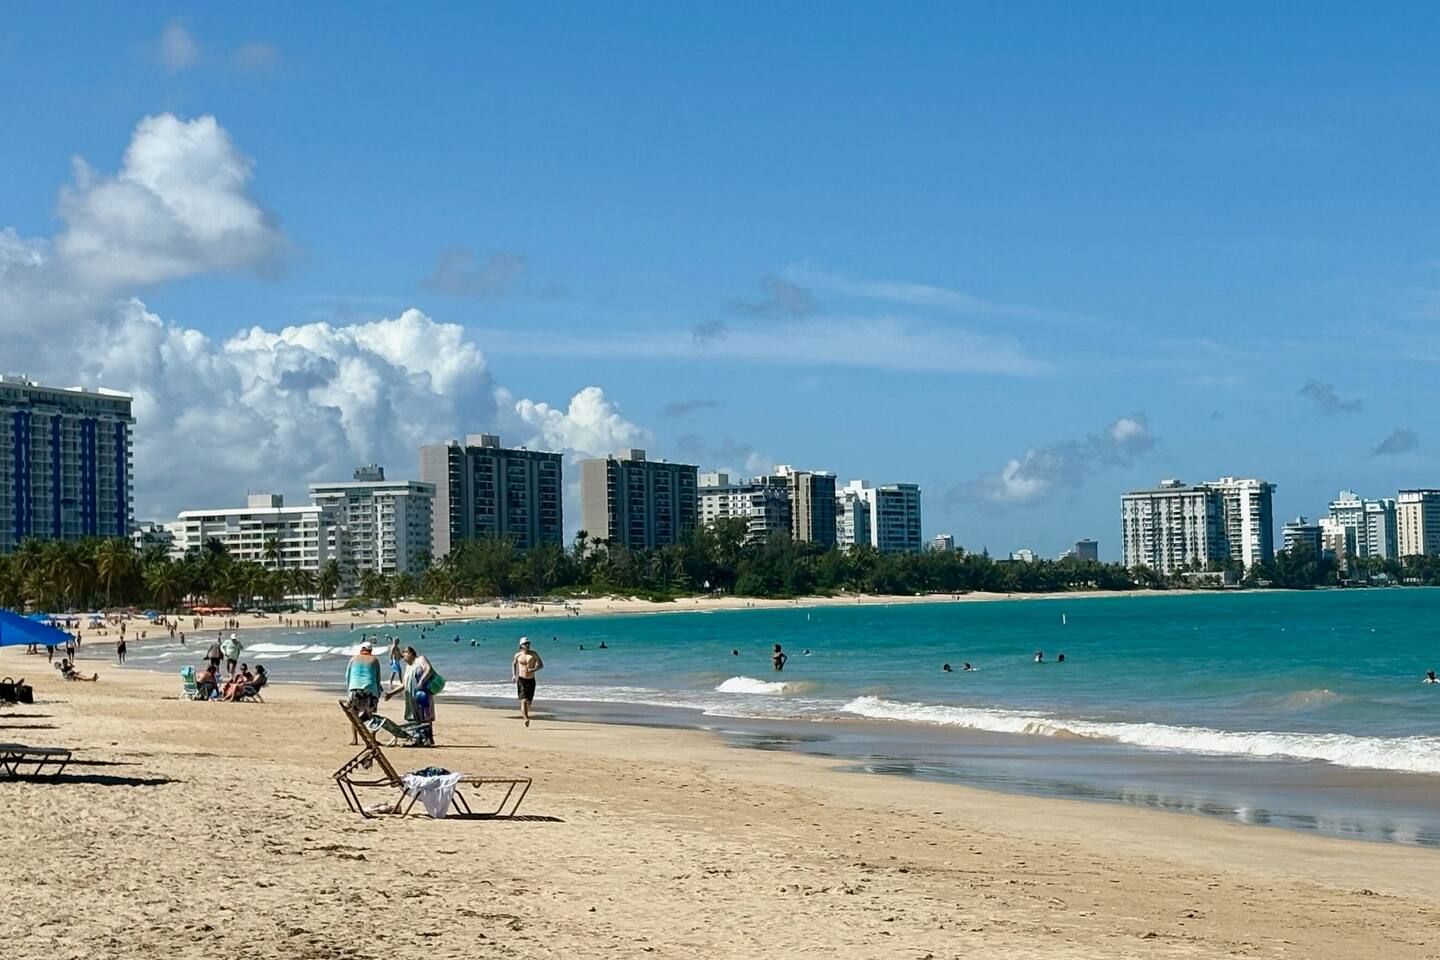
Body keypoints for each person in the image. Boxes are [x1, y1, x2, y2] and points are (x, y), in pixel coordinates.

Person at [385, 646, 435, 746]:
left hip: (422, 693)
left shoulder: (420, 659)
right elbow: (404, 685)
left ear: (410, 653)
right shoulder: (408, 667)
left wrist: (421, 680)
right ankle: (418, 738)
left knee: (425, 715)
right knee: (414, 716)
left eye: (404, 654)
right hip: (411, 697)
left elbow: (428, 668)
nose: (403, 657)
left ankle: (428, 739)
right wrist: (391, 693)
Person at [345, 643, 383, 744]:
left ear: (361, 650)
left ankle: (355, 739)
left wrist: (349, 691)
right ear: (371, 651)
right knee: (370, 716)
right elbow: (377, 678)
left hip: (354, 689)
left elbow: (347, 676)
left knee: (354, 715)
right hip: (370, 690)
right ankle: (372, 739)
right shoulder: (374, 660)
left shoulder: (353, 659)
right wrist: (378, 691)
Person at [512, 637, 544, 728]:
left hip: (531, 680)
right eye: (525, 644)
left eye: (528, 643)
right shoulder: (517, 655)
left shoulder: (533, 654)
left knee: (529, 702)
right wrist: (514, 675)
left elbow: (541, 665)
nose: (527, 645)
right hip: (521, 679)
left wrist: (533, 669)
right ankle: (526, 718)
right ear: (521, 645)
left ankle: (525, 712)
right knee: (523, 700)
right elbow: (514, 664)